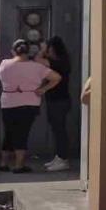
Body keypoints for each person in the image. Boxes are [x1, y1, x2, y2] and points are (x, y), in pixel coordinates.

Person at [0, 39, 61, 173]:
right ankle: (19, 165)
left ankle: (3, 163)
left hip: (8, 102)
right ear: (28, 52)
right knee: (22, 133)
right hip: (29, 102)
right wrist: (43, 89)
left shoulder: (4, 64)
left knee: (8, 132)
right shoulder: (37, 67)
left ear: (13, 51)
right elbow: (56, 77)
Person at [37, 36, 72, 172]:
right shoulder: (62, 61)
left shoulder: (56, 62)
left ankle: (63, 159)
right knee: (57, 129)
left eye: (49, 48)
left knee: (59, 130)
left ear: (54, 49)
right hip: (58, 100)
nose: (47, 51)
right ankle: (59, 157)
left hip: (59, 101)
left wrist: (42, 49)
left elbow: (37, 60)